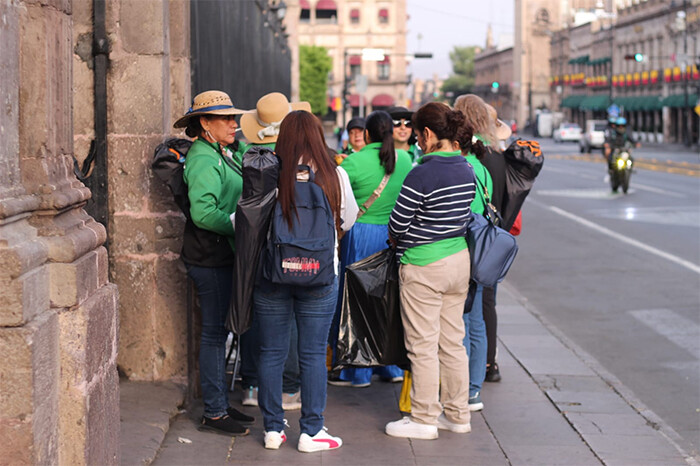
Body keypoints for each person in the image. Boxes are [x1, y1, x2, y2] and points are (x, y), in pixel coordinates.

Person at [254, 110, 358, 452]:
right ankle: (311, 431)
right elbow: (347, 219)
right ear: (317, 135)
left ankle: (272, 429)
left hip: (273, 274)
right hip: (320, 275)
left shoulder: (268, 171)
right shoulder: (334, 173)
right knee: (313, 353)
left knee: (271, 351)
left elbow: (247, 219)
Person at [385, 102, 478, 440]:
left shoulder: (421, 173)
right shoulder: (467, 168)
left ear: (427, 133)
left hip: (424, 265)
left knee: (423, 345)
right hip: (458, 261)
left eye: (418, 136)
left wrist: (406, 237)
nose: (416, 143)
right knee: (453, 342)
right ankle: (458, 415)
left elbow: (397, 223)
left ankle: (424, 417)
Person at [174, 90, 255, 435]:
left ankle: (220, 404)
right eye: (226, 118)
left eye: (234, 117)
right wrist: (240, 223)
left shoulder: (223, 151)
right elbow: (204, 212)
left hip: (221, 255)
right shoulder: (204, 158)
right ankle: (214, 411)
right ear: (205, 123)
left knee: (218, 332)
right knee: (212, 334)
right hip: (209, 258)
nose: (234, 124)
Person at [237, 92, 311, 411]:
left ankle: (252, 385)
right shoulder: (302, 162)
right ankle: (290, 386)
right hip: (294, 248)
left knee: (257, 317)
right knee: (291, 321)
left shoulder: (250, 156)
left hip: (257, 248)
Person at [328, 110, 414, 388]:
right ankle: (390, 368)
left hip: (361, 234)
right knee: (388, 301)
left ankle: (358, 371)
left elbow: (336, 197)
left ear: (366, 134)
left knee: (356, 301)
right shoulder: (405, 160)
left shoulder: (353, 162)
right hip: (394, 236)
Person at [453, 94, 498, 410]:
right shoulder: (482, 168)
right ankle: (473, 390)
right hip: (482, 249)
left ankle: (460, 390)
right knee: (477, 321)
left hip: (460, 248)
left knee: (462, 321)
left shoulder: (458, 166)